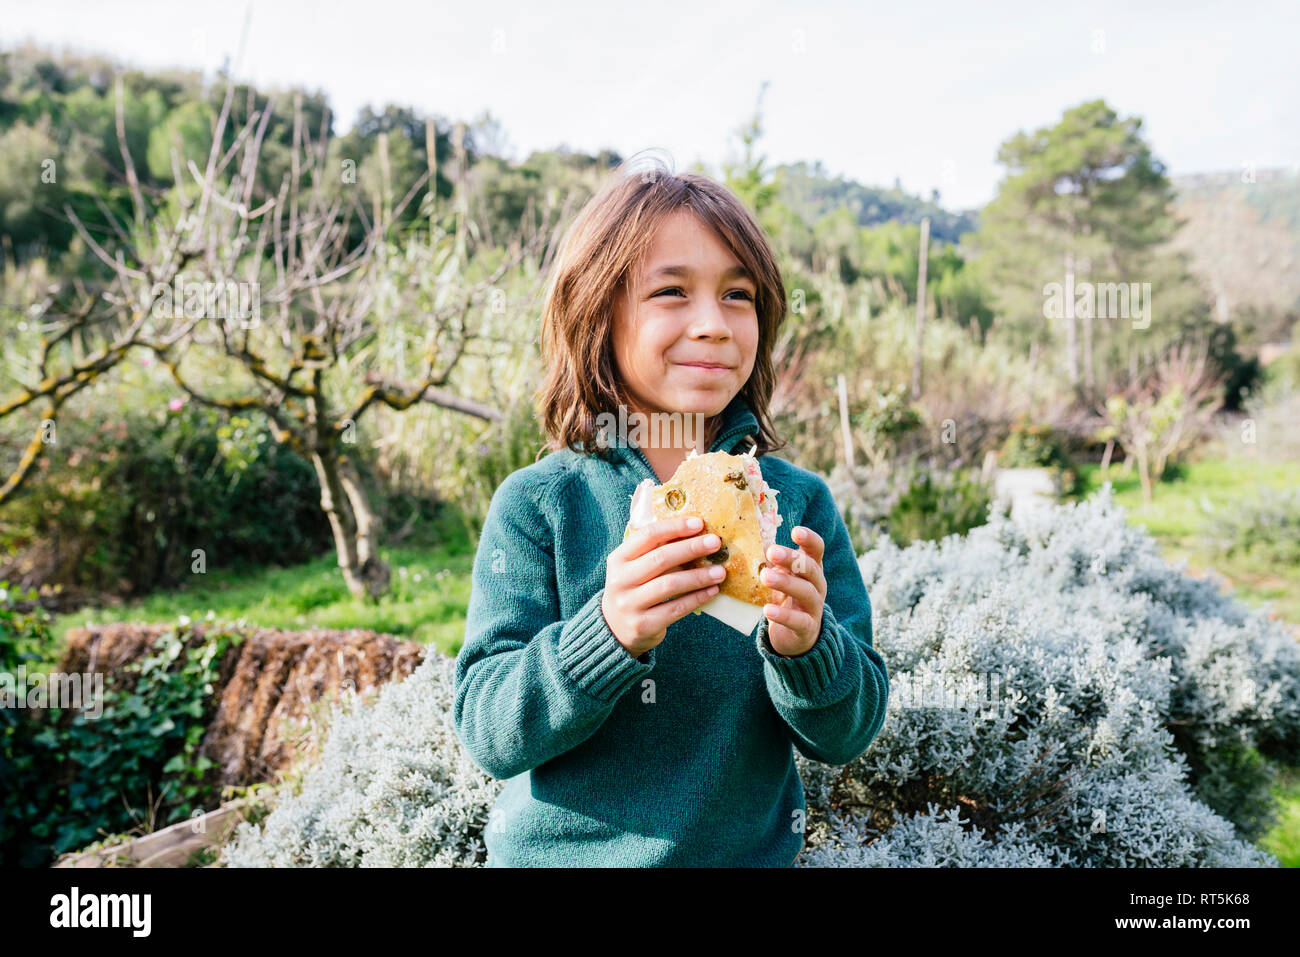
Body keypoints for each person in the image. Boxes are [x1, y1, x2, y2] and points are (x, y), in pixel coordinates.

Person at [452, 158, 890, 867]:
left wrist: (809, 649)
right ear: (598, 313)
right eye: (671, 292)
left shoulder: (796, 504)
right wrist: (608, 632)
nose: (713, 325)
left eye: (738, 294)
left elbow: (847, 732)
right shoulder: (540, 506)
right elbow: (489, 730)